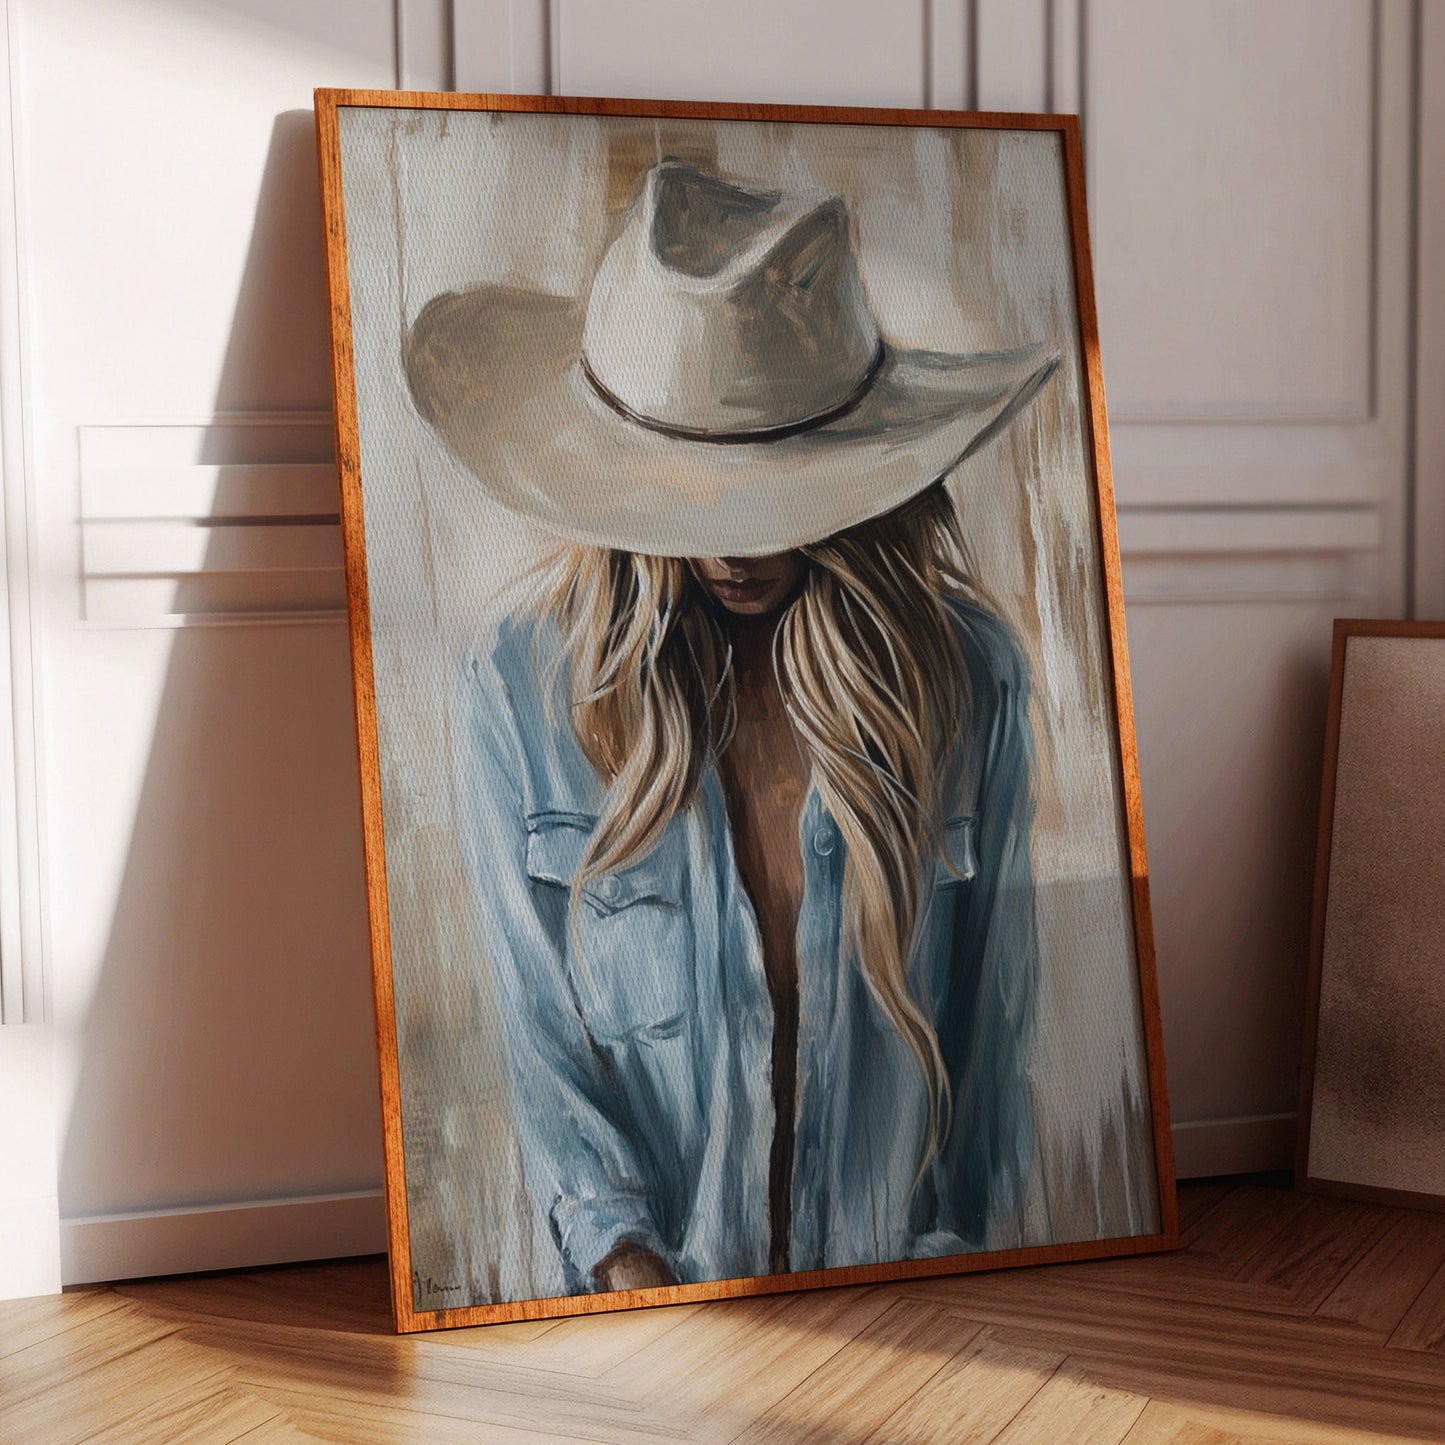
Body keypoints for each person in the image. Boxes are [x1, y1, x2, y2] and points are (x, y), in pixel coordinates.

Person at [407, 158, 1059, 1295]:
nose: (729, 545)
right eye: (681, 488)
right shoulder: (513, 689)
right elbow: (542, 1051)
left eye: (772, 487)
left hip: (903, 1321)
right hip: (637, 1333)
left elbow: (989, 1050)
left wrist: (950, 1301)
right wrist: (628, 1275)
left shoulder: (971, 682)